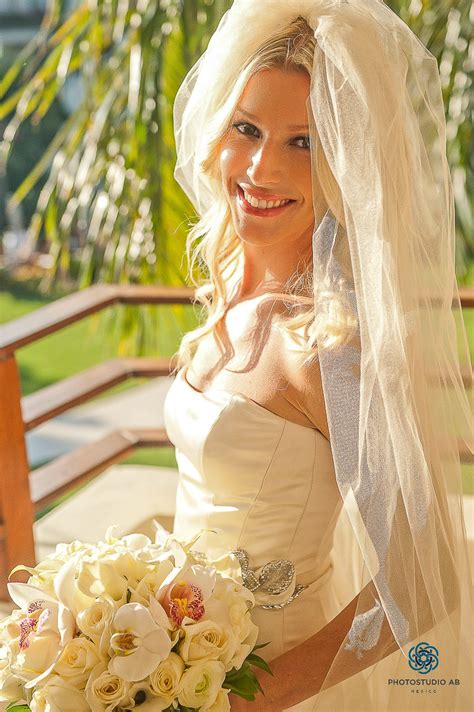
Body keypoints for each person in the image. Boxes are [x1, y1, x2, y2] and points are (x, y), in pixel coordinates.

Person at [163, 1, 473, 710]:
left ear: (347, 165)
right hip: (175, 663)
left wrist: (253, 699)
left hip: (266, 687)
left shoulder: (326, 346)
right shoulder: (233, 295)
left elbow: (425, 581)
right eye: (247, 129)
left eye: (303, 143)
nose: (259, 166)